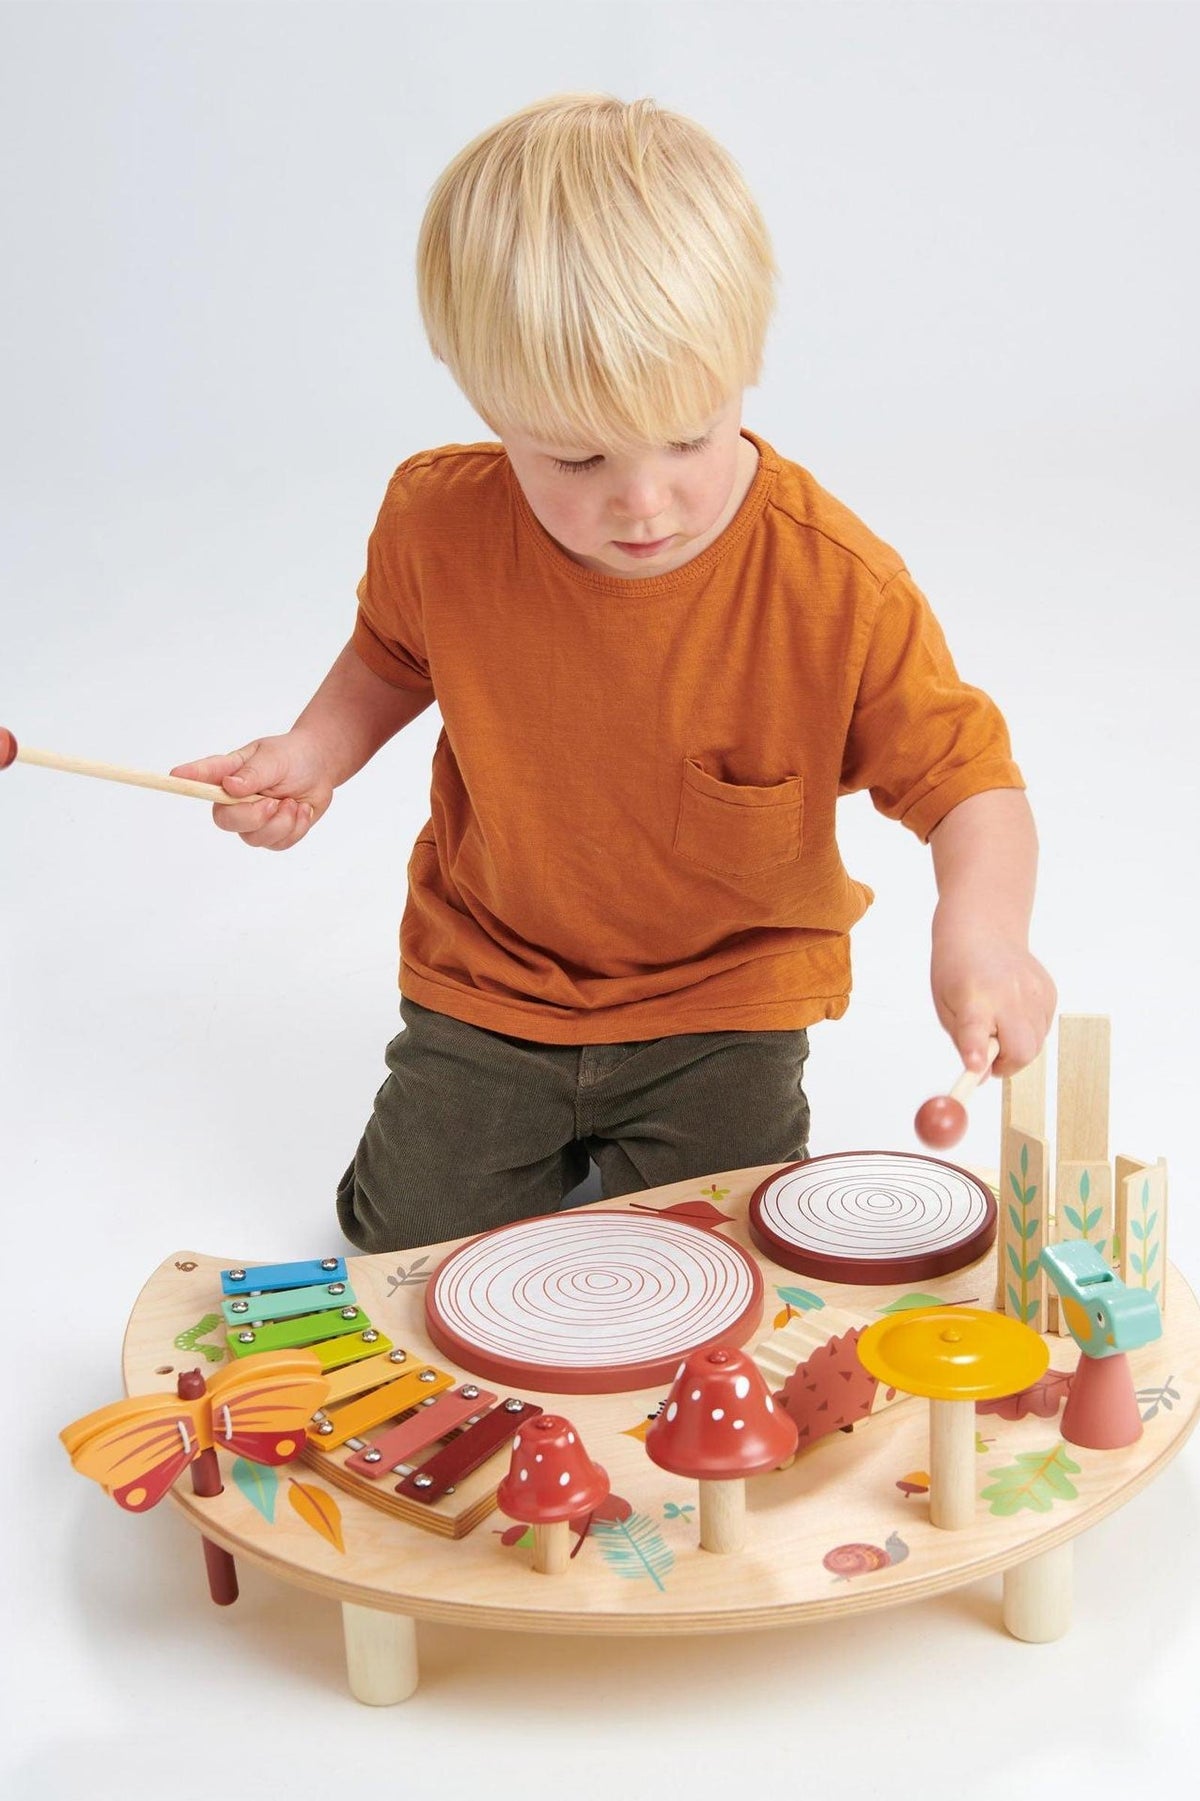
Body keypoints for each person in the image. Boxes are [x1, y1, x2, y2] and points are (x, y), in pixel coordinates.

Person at [173, 93, 1056, 1254]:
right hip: (495, 983)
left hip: (722, 1011)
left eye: (688, 436)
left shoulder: (834, 583)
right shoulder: (437, 523)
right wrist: (313, 753)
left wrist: (984, 932)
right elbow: (391, 654)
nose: (642, 502)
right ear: (486, 404)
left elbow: (969, 783)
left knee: (732, 1258)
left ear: (747, 360)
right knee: (401, 1242)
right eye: (576, 456)